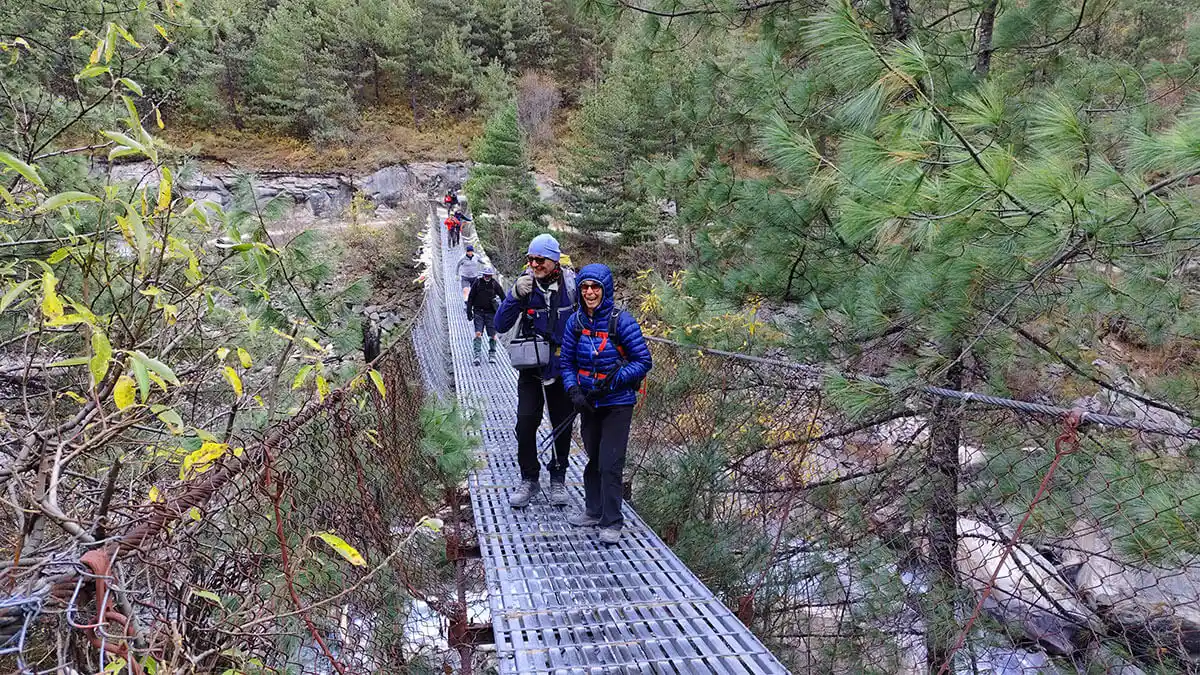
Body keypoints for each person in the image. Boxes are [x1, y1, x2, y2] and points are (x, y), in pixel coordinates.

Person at [559, 263, 652, 545]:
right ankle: (593, 510)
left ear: (605, 290)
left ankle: (612, 521)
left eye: (595, 287)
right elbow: (566, 362)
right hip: (588, 403)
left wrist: (612, 382)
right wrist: (574, 390)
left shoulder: (622, 322)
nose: (589, 292)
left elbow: (643, 361)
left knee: (611, 463)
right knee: (594, 458)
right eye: (585, 287)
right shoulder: (575, 322)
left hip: (617, 403)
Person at [495, 233, 577, 509]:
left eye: (539, 259)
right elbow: (500, 324)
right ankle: (529, 478)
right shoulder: (524, 286)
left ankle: (558, 479)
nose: (534, 264)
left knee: (561, 426)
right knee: (525, 423)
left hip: (563, 368)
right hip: (531, 368)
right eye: (530, 259)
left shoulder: (572, 285)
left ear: (554, 260)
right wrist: (515, 295)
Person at [466, 266, 503, 365]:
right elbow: (471, 297)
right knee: (478, 333)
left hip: (491, 313)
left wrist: (503, 311)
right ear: (483, 275)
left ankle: (492, 354)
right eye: (485, 275)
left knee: (492, 335)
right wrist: (469, 310)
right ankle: (477, 354)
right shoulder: (477, 283)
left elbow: (503, 296)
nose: (487, 277)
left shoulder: (494, 284)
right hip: (479, 312)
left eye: (489, 275)